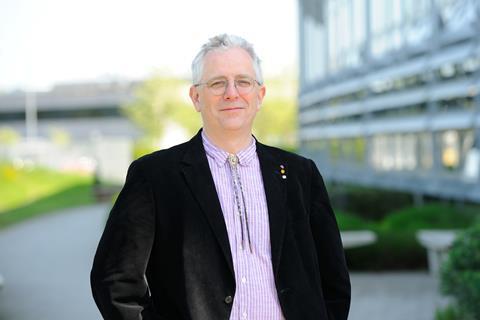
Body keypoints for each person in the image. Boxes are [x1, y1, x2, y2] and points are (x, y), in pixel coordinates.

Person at [90, 34, 351, 320]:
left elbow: (333, 279)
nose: (231, 92)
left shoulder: (301, 174)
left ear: (260, 95)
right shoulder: (154, 177)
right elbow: (115, 278)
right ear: (196, 97)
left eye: (243, 81)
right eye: (217, 83)